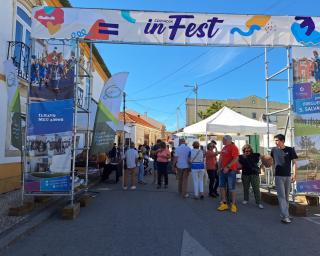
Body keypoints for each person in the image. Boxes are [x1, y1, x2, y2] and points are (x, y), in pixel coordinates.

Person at [271, 134, 298, 224]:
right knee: (281, 196)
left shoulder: (290, 150)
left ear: (282, 141)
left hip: (287, 176)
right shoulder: (273, 150)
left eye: (277, 140)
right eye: (275, 140)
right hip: (278, 176)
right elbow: (271, 161)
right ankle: (285, 216)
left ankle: (285, 214)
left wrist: (294, 175)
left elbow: (294, 163)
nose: (275, 142)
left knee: (286, 196)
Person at [217, 135, 239, 213]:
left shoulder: (233, 147)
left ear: (228, 140)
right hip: (223, 170)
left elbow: (236, 158)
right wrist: (219, 168)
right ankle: (224, 203)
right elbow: (221, 158)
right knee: (222, 187)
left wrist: (228, 167)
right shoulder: (224, 148)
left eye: (223, 139)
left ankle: (233, 204)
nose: (222, 141)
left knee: (231, 188)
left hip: (231, 171)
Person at [238, 144, 263, 209]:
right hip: (245, 174)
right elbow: (238, 164)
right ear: (244, 151)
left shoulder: (256, 155)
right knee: (246, 188)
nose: (247, 152)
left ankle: (259, 202)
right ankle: (246, 199)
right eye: (246, 151)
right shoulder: (241, 156)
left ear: (251, 150)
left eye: (249, 150)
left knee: (256, 189)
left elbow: (263, 158)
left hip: (254, 174)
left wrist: (261, 167)